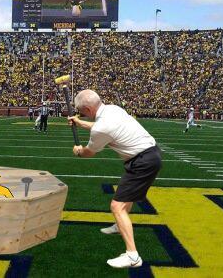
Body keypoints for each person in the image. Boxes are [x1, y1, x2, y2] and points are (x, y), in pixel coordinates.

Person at [68, 89, 162, 269]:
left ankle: (133, 256)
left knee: (116, 206)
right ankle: (120, 226)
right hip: (149, 155)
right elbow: (102, 127)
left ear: (87, 109)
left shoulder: (100, 128)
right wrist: (81, 123)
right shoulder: (113, 109)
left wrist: (78, 151)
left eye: (81, 111)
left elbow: (89, 152)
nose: (81, 114)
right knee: (125, 195)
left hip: (142, 161)